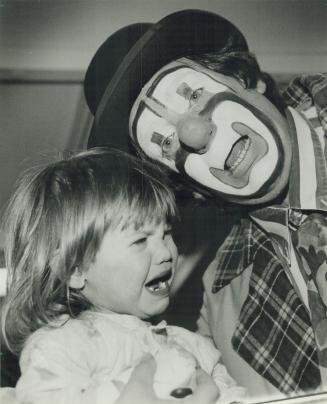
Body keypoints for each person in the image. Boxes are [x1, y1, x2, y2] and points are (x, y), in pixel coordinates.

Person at [83, 9, 327, 403]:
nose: (193, 133)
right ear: (183, 183)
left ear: (246, 79)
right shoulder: (215, 315)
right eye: (164, 143)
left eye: (194, 95)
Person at [1, 148, 246, 404]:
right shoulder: (63, 347)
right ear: (75, 269)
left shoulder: (192, 346)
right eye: (140, 240)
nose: (167, 251)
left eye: (166, 233)